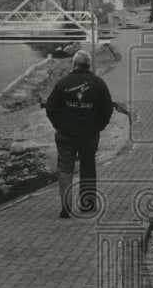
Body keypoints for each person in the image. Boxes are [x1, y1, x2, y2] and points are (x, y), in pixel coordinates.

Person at [45, 49, 114, 218]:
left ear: (74, 63)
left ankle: (66, 206)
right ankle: (87, 205)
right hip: (89, 134)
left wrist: (58, 125)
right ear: (89, 64)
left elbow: (50, 107)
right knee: (88, 167)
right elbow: (107, 108)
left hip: (65, 134)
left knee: (65, 168)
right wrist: (99, 126)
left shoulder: (63, 82)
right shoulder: (98, 83)